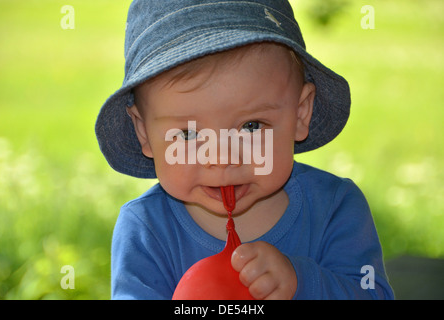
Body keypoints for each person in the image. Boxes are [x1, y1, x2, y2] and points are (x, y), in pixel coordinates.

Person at [95, 0, 394, 300]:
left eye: (251, 126)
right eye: (188, 134)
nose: (222, 157)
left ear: (300, 113)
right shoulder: (147, 231)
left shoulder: (334, 210)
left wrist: (301, 283)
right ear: (144, 132)